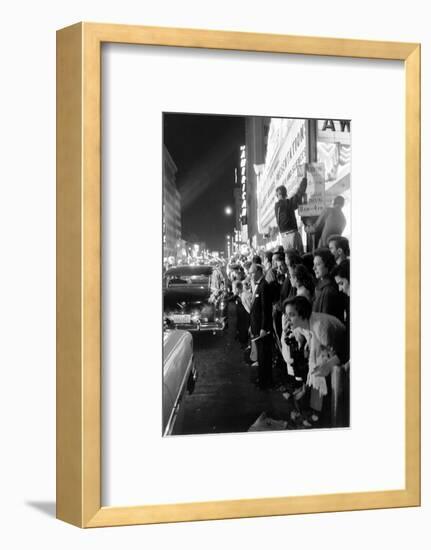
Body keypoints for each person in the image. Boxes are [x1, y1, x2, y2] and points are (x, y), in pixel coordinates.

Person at [283, 296, 348, 427]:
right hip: (330, 348)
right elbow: (309, 337)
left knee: (321, 376)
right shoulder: (303, 324)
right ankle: (315, 414)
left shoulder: (319, 326)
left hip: (344, 350)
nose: (288, 319)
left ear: (302, 314)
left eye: (292, 315)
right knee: (315, 370)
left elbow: (330, 354)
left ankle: (320, 417)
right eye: (286, 315)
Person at [249, 262, 273, 389]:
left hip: (262, 328)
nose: (250, 275)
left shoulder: (264, 286)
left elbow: (265, 309)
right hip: (257, 327)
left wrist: (264, 327)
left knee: (264, 356)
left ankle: (264, 381)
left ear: (258, 272)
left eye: (252, 273)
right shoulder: (259, 285)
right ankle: (262, 378)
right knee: (261, 355)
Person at [274, 177, 307, 253]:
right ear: (285, 194)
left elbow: (298, 195)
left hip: (285, 237)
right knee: (296, 258)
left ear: (278, 195)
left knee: (291, 259)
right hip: (292, 235)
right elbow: (299, 193)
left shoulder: (278, 205)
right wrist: (304, 179)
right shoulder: (286, 204)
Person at [312, 248, 345, 322]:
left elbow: (325, 322)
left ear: (327, 264)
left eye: (318, 264)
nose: (313, 268)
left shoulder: (329, 290)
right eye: (314, 264)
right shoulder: (320, 284)